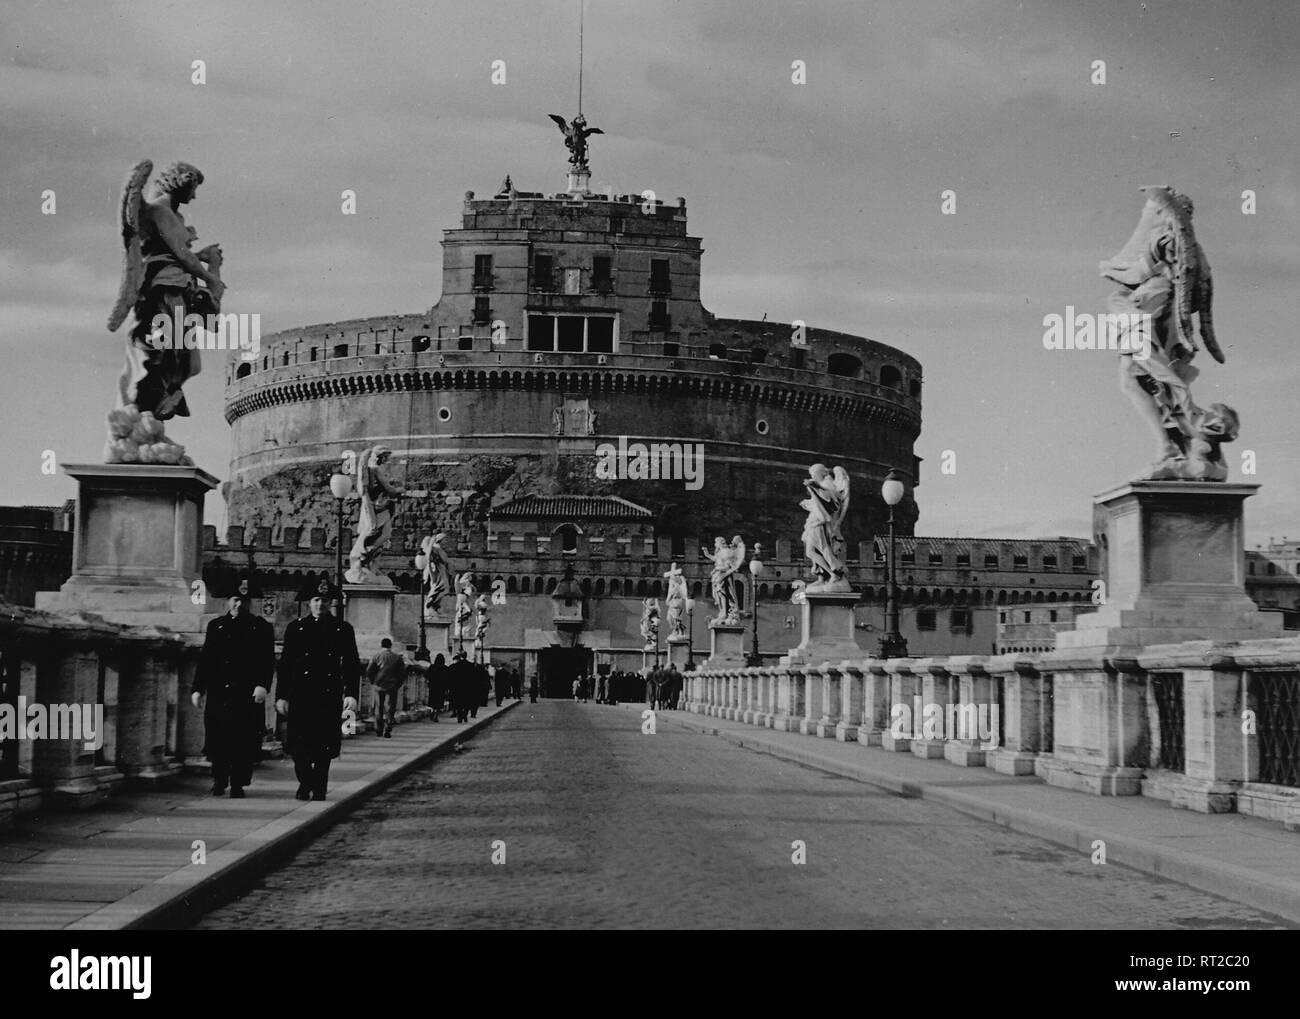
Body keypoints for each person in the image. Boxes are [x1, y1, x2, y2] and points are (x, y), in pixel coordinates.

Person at [276, 583, 360, 801]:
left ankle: (320, 786)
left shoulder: (343, 628)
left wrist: (351, 694)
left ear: (330, 603)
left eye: (324, 600)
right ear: (309, 603)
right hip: (300, 693)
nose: (320, 604)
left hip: (328, 693)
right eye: (316, 600)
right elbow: (285, 664)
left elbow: (351, 663)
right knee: (298, 745)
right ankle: (305, 782)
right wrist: (281, 695)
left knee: (324, 745)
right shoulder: (296, 627)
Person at [191, 575, 274, 798]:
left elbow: (267, 661)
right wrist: (198, 688)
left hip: (246, 693)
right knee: (217, 738)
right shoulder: (216, 626)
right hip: (220, 692)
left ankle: (238, 783)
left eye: (244, 601)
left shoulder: (261, 627)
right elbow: (206, 659)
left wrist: (262, 686)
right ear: (229, 601)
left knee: (243, 740)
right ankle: (219, 780)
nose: (239, 605)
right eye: (235, 600)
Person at [367, 637, 406, 738]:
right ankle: (387, 728)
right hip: (392, 685)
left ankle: (378, 729)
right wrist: (398, 684)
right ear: (390, 646)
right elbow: (402, 673)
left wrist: (373, 681)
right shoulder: (397, 657)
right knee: (390, 707)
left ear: (381, 645)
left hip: (378, 685)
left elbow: (369, 670)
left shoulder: (376, 656)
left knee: (378, 707)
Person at [447, 651, 477, 723]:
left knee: (459, 703)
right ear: (466, 656)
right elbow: (474, 678)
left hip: (457, 688)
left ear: (460, 656)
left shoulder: (454, 666)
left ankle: (460, 717)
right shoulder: (471, 665)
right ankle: (465, 715)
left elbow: (450, 677)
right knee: (466, 703)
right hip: (467, 688)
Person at [427, 652, 447, 722]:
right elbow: (447, 678)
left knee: (433, 701)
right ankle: (436, 715)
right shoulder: (445, 668)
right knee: (439, 702)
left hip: (433, 686)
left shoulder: (432, 667)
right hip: (441, 687)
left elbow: (427, 675)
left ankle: (432, 711)